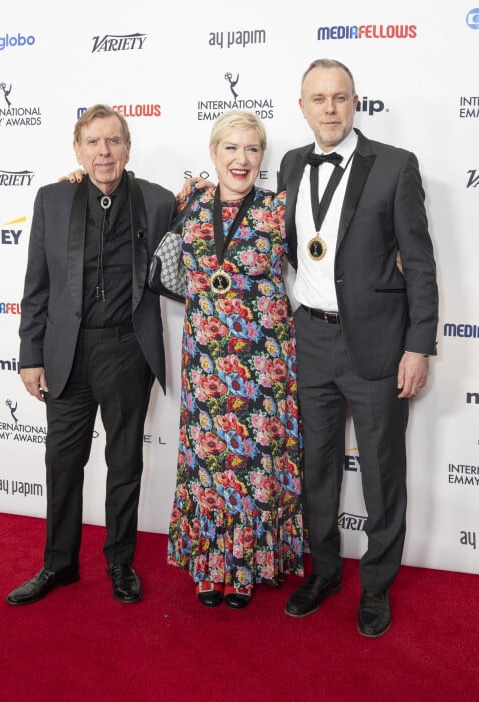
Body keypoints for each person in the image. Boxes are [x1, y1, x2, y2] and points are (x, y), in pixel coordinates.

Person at [278, 59, 438, 637]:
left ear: (354, 103)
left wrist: (418, 346)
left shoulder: (396, 166)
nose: (329, 108)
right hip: (310, 340)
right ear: (302, 107)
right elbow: (288, 246)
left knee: (381, 472)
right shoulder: (291, 165)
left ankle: (376, 586)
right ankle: (323, 572)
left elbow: (419, 264)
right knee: (315, 468)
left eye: (339, 98)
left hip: (377, 345)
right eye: (318, 99)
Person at [5, 104, 176, 606]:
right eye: (93, 143)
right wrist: (29, 354)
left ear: (128, 147)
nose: (104, 152)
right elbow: (35, 285)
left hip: (127, 349)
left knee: (125, 463)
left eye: (113, 141)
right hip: (67, 354)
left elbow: (200, 239)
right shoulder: (52, 199)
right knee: (62, 462)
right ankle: (58, 565)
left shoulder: (159, 201)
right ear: (77, 150)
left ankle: (120, 564)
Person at [166, 110, 304, 609]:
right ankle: (209, 565)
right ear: (213, 152)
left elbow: (325, 260)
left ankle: (245, 567)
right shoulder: (189, 201)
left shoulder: (280, 209)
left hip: (262, 361)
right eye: (230, 148)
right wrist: (75, 179)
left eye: (250, 149)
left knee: (253, 462)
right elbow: (126, 211)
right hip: (205, 361)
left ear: (261, 157)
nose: (240, 159)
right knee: (209, 463)